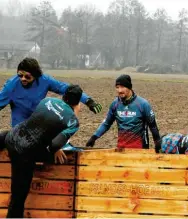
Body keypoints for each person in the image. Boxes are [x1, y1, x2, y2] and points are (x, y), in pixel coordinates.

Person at [0, 85, 83, 218]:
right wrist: (55, 150)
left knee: (5, 135)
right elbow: (55, 144)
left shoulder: (48, 100)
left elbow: (40, 121)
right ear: (78, 103)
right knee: (18, 197)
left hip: (12, 136)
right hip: (25, 154)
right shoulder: (73, 121)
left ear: (64, 96)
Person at [0, 57, 102, 127]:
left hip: (38, 125)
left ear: (36, 75)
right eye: (20, 75)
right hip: (19, 128)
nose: (23, 79)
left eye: (27, 76)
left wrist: (88, 101)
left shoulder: (45, 80)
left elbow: (67, 89)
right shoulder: (11, 86)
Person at [85, 74, 161, 149]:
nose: (119, 90)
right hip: (121, 149)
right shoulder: (115, 104)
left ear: (129, 87)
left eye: (122, 87)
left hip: (140, 149)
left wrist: (157, 142)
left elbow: (153, 126)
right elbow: (106, 124)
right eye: (117, 87)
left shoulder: (143, 104)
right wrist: (94, 137)